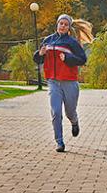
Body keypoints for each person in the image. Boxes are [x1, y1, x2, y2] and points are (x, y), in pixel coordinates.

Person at [33, 14, 90, 153]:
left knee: (70, 112)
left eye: (66, 24)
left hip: (69, 82)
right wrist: (40, 53)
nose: (63, 26)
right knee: (56, 112)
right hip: (53, 81)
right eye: (61, 23)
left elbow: (82, 59)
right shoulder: (48, 40)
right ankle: (59, 141)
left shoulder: (72, 42)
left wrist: (68, 58)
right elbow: (38, 59)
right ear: (57, 24)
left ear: (69, 27)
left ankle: (74, 121)